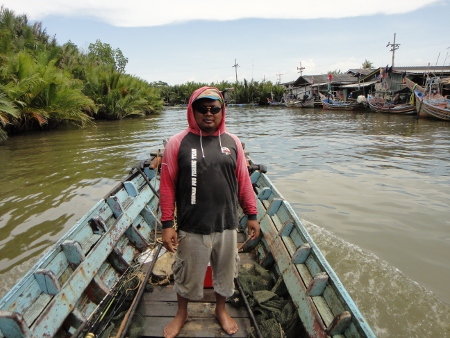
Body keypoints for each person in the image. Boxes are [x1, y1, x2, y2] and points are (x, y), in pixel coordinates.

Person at [159, 86, 260, 338]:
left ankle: (220, 310)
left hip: (226, 224)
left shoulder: (232, 142)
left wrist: (252, 215)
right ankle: (182, 313)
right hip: (192, 225)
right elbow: (167, 185)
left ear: (221, 111)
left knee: (226, 272)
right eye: (202, 108)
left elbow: (244, 181)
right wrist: (167, 223)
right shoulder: (177, 143)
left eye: (214, 109)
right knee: (186, 272)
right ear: (192, 111)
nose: (208, 113)